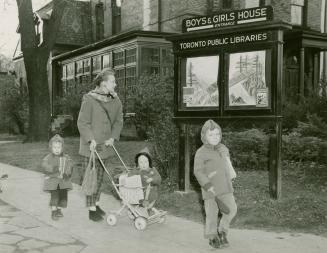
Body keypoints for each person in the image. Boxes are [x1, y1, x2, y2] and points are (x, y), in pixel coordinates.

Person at [77, 68, 123, 222]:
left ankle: (96, 204)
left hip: (104, 147)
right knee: (91, 178)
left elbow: (118, 121)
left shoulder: (115, 100)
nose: (115, 85)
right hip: (90, 146)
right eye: (113, 82)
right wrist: (90, 139)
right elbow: (82, 122)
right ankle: (91, 210)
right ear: (103, 84)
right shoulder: (89, 99)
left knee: (101, 177)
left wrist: (113, 137)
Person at [194, 119, 237, 249]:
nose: (215, 137)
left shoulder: (223, 148)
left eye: (217, 134)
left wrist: (230, 173)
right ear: (204, 136)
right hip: (210, 190)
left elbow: (226, 159)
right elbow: (198, 172)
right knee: (212, 215)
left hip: (225, 187)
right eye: (211, 135)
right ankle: (213, 237)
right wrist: (207, 185)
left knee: (232, 210)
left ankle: (222, 231)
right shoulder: (200, 153)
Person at [41, 134, 73, 221]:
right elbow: (44, 165)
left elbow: (70, 165)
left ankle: (59, 210)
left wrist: (67, 172)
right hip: (53, 182)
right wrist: (52, 168)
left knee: (63, 197)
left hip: (63, 181)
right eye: (55, 147)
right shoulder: (48, 157)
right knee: (54, 197)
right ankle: (53, 212)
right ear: (51, 147)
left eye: (59, 147)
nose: (57, 149)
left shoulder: (66, 157)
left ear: (62, 147)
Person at [131, 147, 162, 213]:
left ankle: (149, 209)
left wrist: (152, 179)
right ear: (138, 164)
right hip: (140, 192)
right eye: (141, 162)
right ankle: (147, 210)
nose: (143, 164)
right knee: (143, 202)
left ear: (149, 162)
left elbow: (159, 178)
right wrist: (134, 173)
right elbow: (130, 176)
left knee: (151, 198)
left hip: (151, 191)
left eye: (145, 162)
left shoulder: (153, 170)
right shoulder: (137, 171)